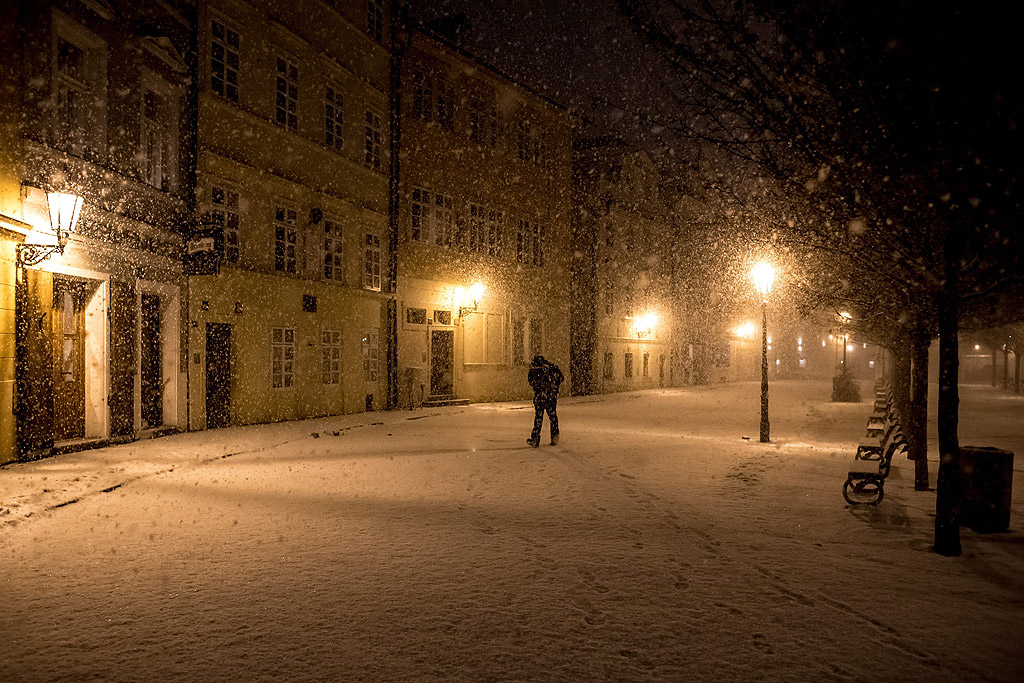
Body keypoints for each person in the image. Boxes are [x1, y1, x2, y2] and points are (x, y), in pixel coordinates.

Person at [526, 355, 563, 447]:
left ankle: (535, 438)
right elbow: (560, 378)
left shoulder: (534, 369)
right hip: (549, 396)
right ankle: (554, 437)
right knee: (552, 416)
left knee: (539, 417)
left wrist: (539, 388)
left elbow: (531, 381)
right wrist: (554, 387)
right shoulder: (551, 368)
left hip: (541, 396)